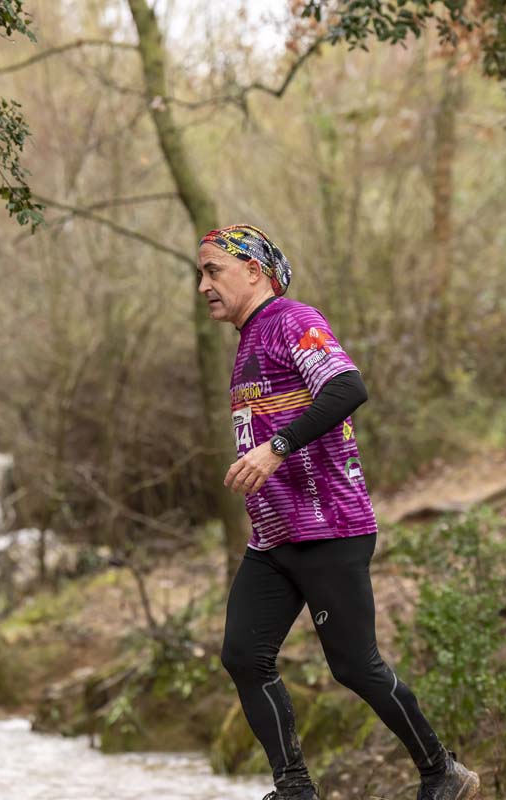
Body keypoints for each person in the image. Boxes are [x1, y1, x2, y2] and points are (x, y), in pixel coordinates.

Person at [199, 224, 480, 800]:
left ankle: (442, 772)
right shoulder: (249, 340)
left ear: (253, 271)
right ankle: (295, 790)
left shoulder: (292, 319)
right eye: (200, 274)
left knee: (354, 666)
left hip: (328, 527)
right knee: (244, 657)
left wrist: (275, 448)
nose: (203, 285)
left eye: (212, 271)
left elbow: (348, 387)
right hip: (274, 538)